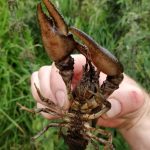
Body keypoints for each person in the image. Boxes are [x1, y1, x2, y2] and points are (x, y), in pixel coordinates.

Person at [31, 54, 150, 150]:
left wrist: (141, 116)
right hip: (83, 126)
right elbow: (107, 107)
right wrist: (139, 118)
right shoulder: (84, 100)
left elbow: (107, 107)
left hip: (81, 135)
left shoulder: (85, 102)